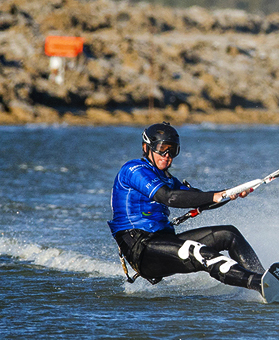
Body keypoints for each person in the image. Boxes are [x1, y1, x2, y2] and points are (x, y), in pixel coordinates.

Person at [109, 122, 265, 292]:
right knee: (198, 251)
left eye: (172, 150)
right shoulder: (133, 170)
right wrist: (216, 195)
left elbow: (199, 198)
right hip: (142, 248)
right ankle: (259, 283)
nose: (167, 155)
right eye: (162, 148)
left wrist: (230, 194)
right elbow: (169, 197)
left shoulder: (168, 179)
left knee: (228, 234)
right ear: (147, 148)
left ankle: (266, 278)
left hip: (165, 242)